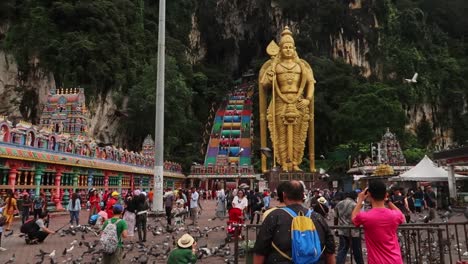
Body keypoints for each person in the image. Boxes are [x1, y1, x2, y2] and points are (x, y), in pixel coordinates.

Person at [258, 26, 316, 172]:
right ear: (280, 50)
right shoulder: (275, 65)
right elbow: (264, 84)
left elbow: (311, 83)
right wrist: (270, 74)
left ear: (294, 48)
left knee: (298, 133)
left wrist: (307, 100)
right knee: (280, 134)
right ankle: (283, 162)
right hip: (280, 102)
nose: (288, 50)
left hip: (298, 101)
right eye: (285, 47)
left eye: (291, 47)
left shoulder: (302, 66)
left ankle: (295, 162)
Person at [253, 180, 336, 263]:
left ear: (284, 195)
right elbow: (330, 252)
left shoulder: (273, 216)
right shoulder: (318, 217)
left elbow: (260, 250)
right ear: (303, 195)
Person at [352, 180, 404, 264]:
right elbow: (401, 215)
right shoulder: (394, 215)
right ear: (386, 195)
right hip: (395, 260)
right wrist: (388, 201)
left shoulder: (365, 216)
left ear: (369, 195)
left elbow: (354, 218)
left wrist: (360, 200)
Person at [334, 192, 363, 264]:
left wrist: (336, 228)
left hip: (342, 231)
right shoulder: (355, 205)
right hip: (354, 232)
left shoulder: (339, 204)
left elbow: (335, 217)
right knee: (357, 251)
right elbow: (359, 218)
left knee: (342, 250)